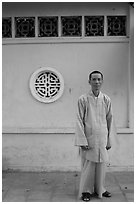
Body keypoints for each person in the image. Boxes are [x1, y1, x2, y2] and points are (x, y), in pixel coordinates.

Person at [75, 70, 113, 201]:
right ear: (89, 81)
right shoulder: (83, 99)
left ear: (102, 81)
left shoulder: (106, 99)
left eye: (99, 79)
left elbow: (110, 120)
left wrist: (109, 140)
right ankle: (86, 191)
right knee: (88, 166)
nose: (96, 82)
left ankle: (100, 189)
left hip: (102, 138)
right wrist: (82, 140)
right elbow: (79, 120)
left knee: (102, 165)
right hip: (88, 137)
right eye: (94, 79)